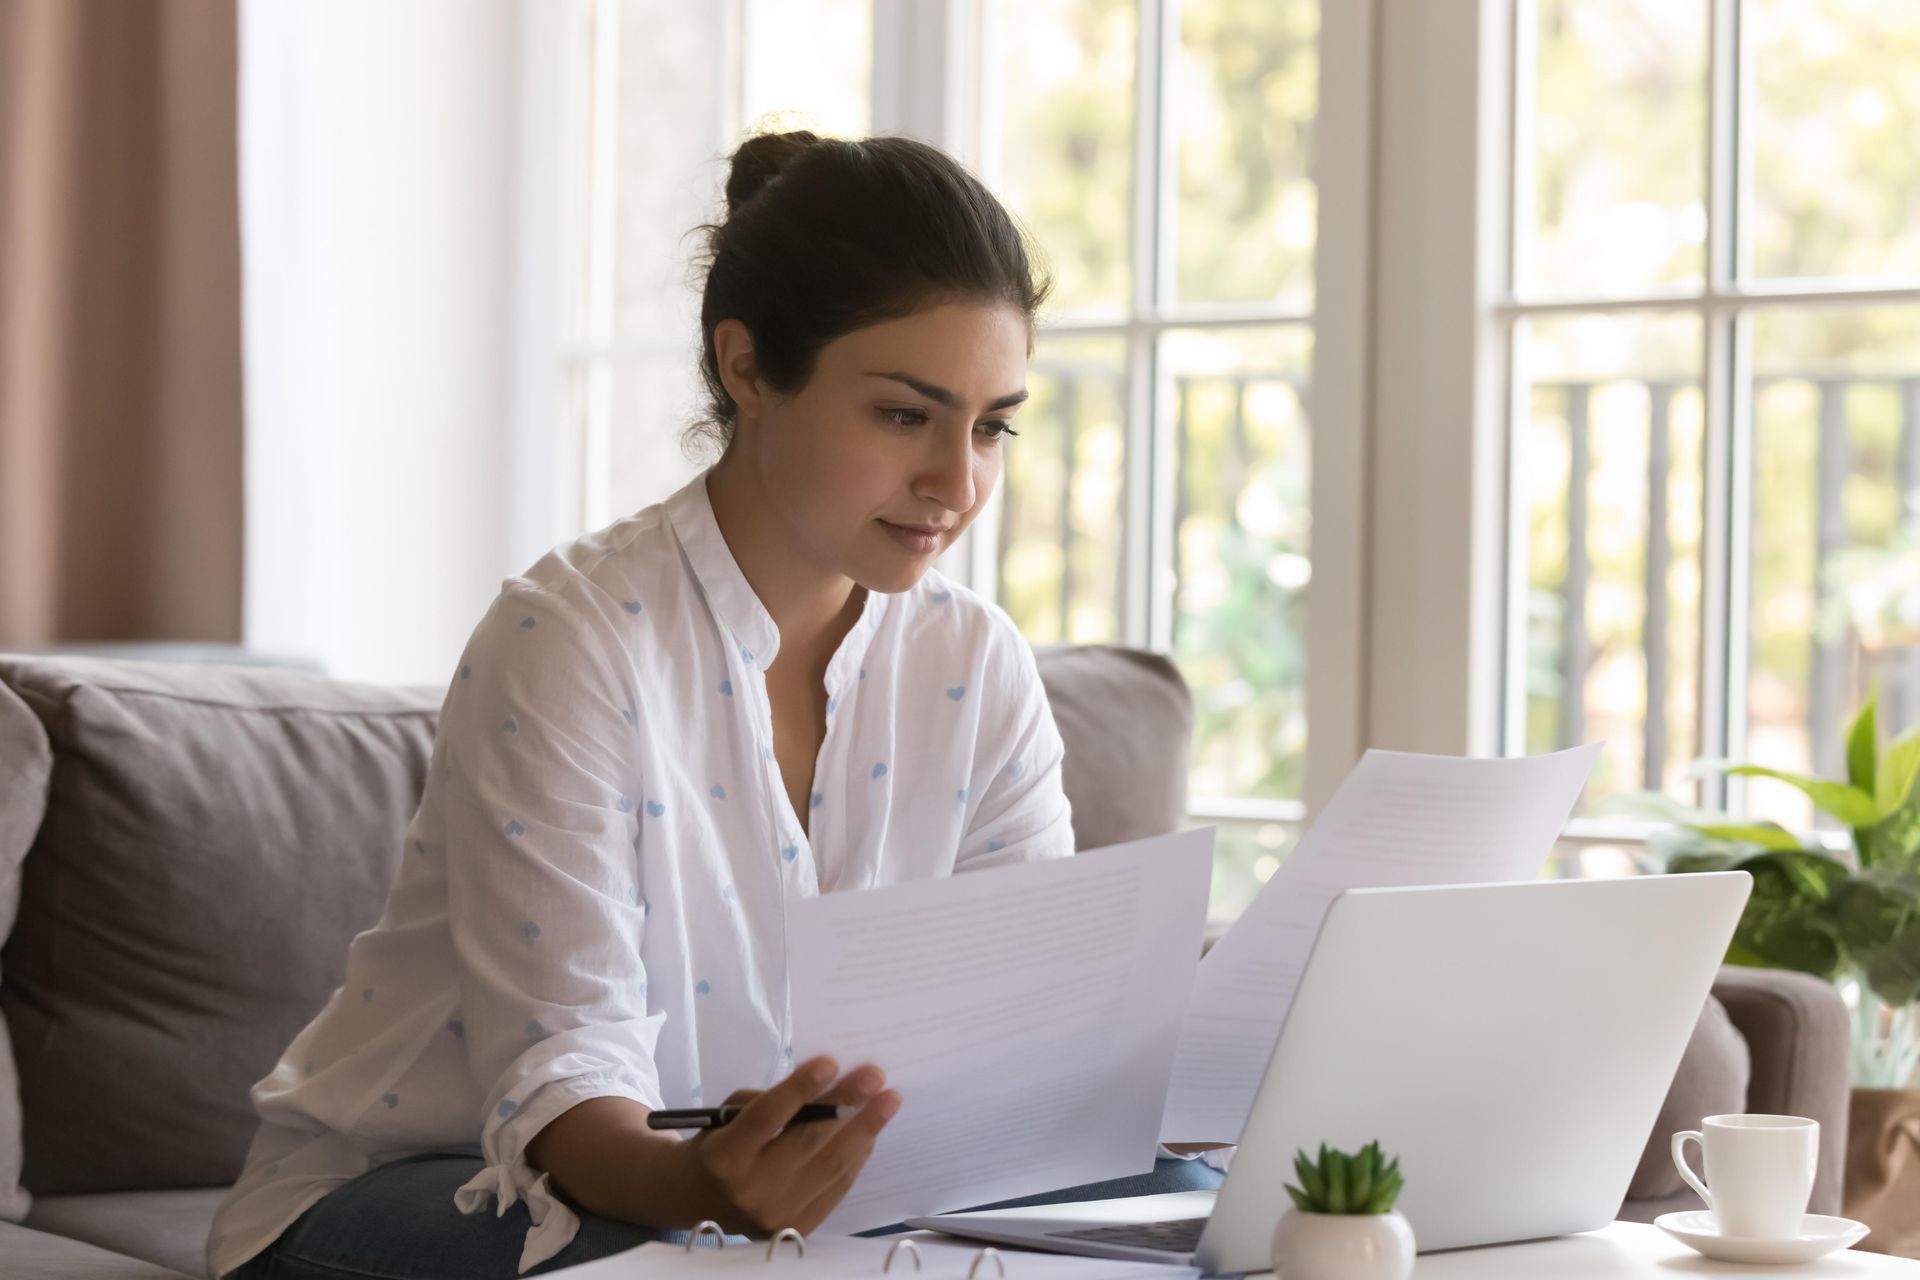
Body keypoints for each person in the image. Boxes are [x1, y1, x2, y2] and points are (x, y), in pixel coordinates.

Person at [207, 130, 1222, 1280]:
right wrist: (710, 1189)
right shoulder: (571, 637)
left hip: (802, 1200)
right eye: (905, 414)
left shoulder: (976, 663)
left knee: (1202, 1212)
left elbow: (1011, 1041)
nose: (958, 481)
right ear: (746, 366)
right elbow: (565, 1081)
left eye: (991, 424)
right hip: (442, 1182)